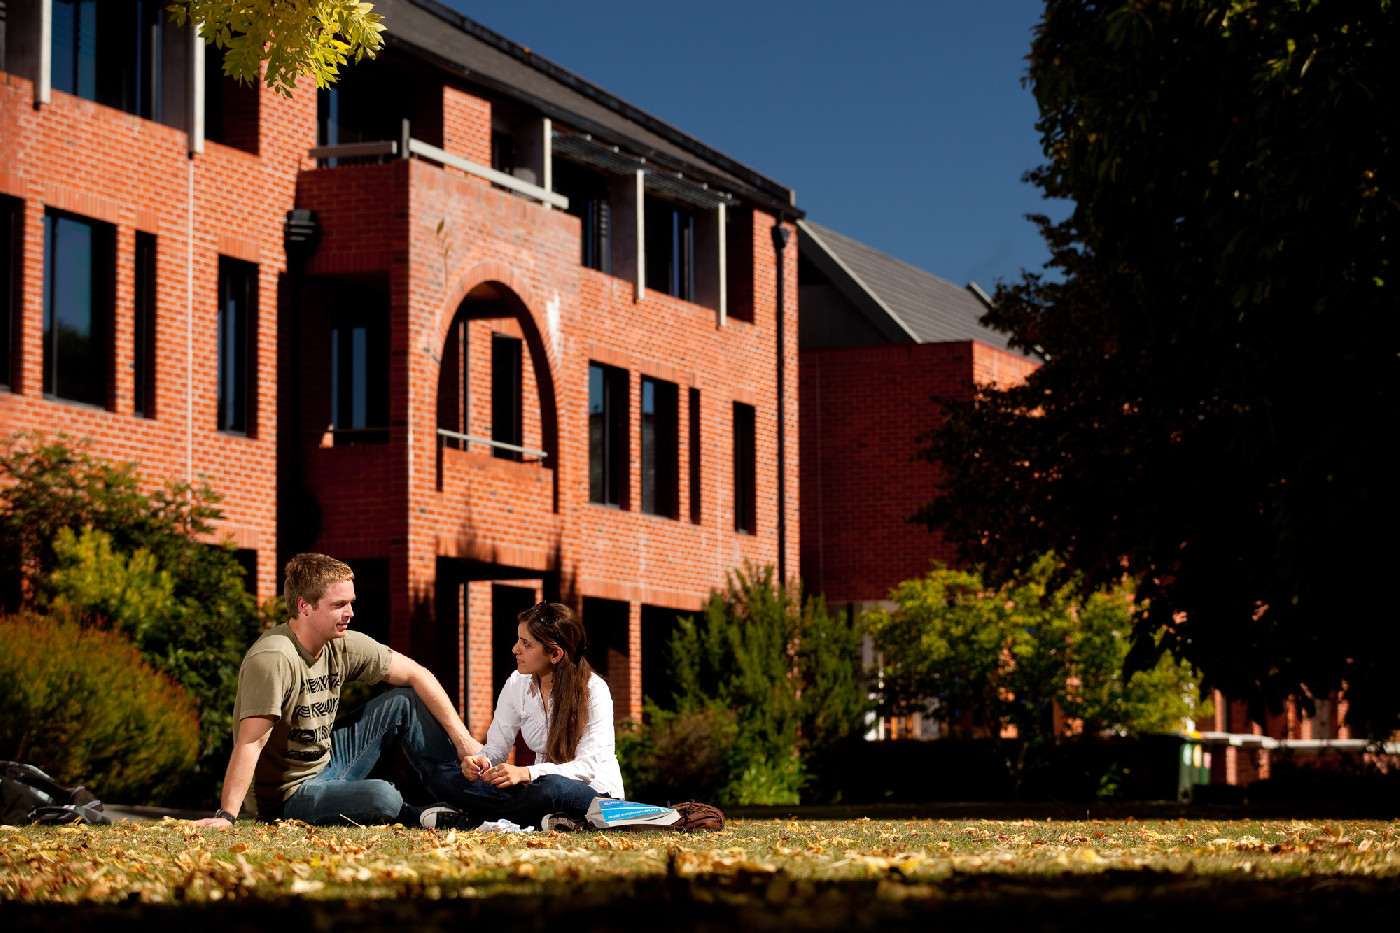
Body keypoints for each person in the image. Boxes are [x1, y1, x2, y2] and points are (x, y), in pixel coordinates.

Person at [195, 553, 492, 829]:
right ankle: (428, 819)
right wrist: (227, 816)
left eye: (350, 602)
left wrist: (464, 741)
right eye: (338, 605)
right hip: (287, 796)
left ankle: (473, 800)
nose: (349, 612)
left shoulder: (341, 643)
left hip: (329, 760)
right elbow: (251, 742)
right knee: (382, 797)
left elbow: (417, 673)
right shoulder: (274, 658)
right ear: (304, 606)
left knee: (405, 701)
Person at [443, 600, 624, 829]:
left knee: (550, 787)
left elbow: (586, 769)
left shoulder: (593, 690)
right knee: (448, 776)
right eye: (518, 640)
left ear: (556, 654)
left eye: (526, 644)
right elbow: (497, 749)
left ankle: (473, 820)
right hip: (535, 792)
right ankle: (536, 819)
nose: (515, 649)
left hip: (593, 794)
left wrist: (525, 773)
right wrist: (483, 762)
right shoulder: (517, 683)